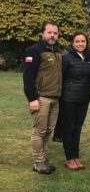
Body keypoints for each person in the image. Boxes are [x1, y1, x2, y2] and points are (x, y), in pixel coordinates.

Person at [23, 20, 62, 175]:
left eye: (55, 33)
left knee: (48, 131)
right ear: (42, 34)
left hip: (55, 98)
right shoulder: (34, 51)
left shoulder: (58, 51)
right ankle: (38, 163)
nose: (52, 35)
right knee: (39, 131)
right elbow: (27, 77)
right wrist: (32, 98)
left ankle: (44, 159)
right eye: (49, 32)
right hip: (41, 98)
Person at [59, 32, 90, 170]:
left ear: (86, 43)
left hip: (83, 98)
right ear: (73, 43)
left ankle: (76, 157)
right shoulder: (66, 58)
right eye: (77, 41)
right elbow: (60, 78)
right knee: (69, 128)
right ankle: (69, 158)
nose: (80, 44)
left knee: (78, 129)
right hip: (68, 99)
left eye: (83, 41)